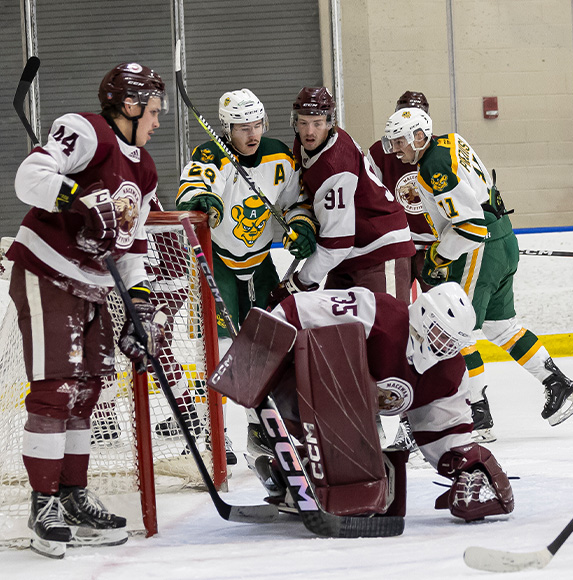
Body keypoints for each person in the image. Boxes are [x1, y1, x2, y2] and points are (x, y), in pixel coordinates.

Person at [8, 62, 168, 558]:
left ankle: (72, 496)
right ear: (130, 105)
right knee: (57, 389)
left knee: (87, 393)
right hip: (48, 269)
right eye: (154, 111)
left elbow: (133, 244)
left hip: (97, 286)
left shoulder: (144, 167)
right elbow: (29, 176)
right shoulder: (84, 130)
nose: (158, 121)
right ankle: (43, 502)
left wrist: (138, 308)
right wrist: (75, 196)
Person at [382, 108, 573, 443]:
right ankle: (559, 385)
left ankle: (476, 415)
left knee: (456, 330)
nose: (396, 149)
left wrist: (438, 255)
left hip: (480, 247)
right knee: (500, 326)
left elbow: (469, 226)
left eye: (401, 141)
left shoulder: (434, 165)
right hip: (502, 236)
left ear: (420, 136)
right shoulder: (450, 141)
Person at [265, 282, 513, 522]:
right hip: (300, 383)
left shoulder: (448, 372)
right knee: (349, 401)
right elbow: (300, 308)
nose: (444, 347)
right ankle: (308, 465)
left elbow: (445, 432)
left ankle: (299, 470)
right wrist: (264, 343)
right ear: (422, 314)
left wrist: (468, 465)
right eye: (440, 334)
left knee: (363, 434)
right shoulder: (380, 313)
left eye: (452, 343)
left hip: (350, 413)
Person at [175, 89, 303, 461]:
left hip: (260, 262)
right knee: (213, 351)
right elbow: (192, 187)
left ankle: (259, 427)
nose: (252, 135)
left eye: (257, 125)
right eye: (242, 127)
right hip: (218, 263)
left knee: (264, 348)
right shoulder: (211, 153)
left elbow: (296, 202)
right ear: (226, 128)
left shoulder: (280, 155)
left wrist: (300, 224)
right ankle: (206, 432)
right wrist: (204, 199)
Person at [267, 87, 415, 308]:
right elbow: (307, 197)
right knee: (333, 331)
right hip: (347, 255)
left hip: (379, 248)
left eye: (317, 123)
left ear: (329, 123)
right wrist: (303, 219)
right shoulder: (303, 146)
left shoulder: (336, 164)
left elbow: (337, 244)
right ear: (294, 122)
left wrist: (298, 283)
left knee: (389, 329)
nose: (310, 131)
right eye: (304, 122)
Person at [365, 90, 438, 453]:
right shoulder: (378, 153)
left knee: (443, 324)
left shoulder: (440, 153)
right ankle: (403, 418)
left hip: (437, 249)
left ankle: (471, 404)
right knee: (396, 326)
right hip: (398, 248)